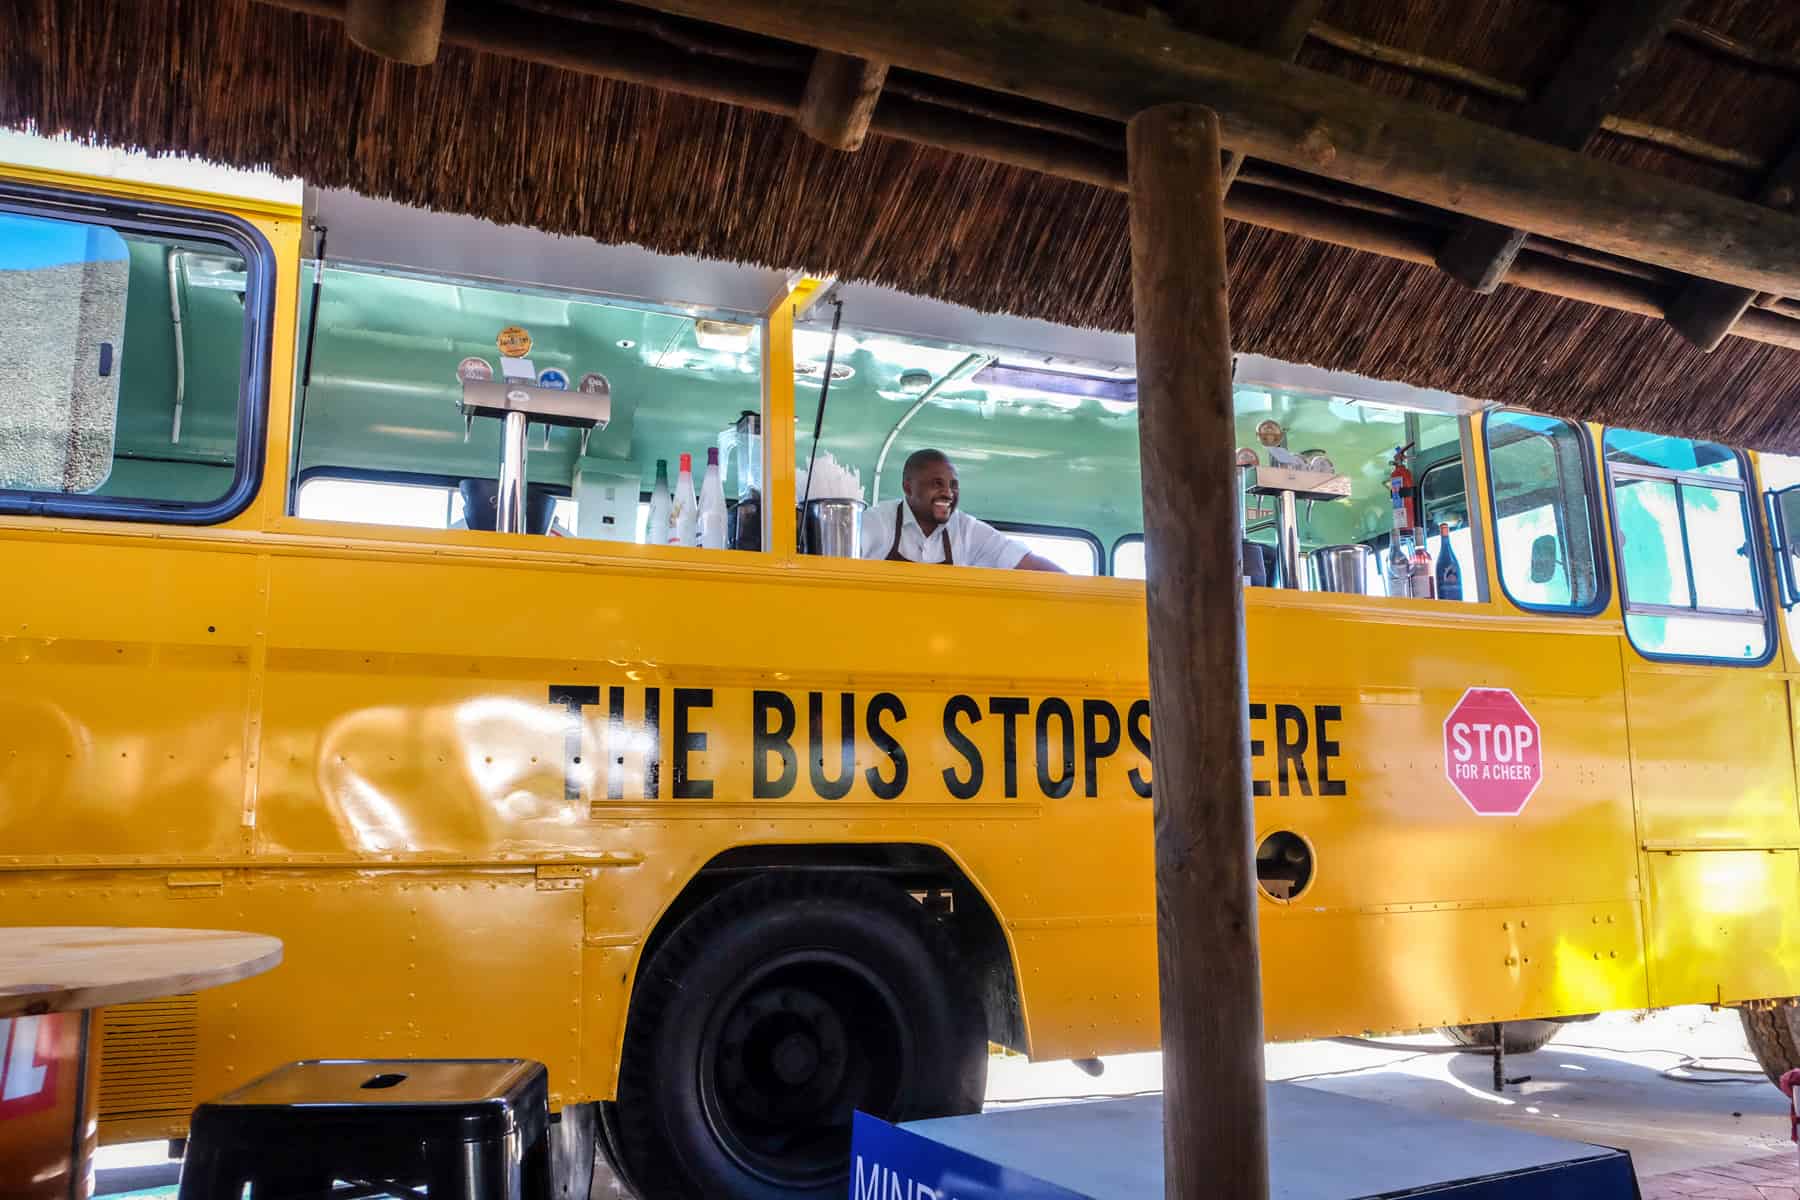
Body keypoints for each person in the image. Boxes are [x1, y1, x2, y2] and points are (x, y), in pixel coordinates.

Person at [861, 449, 1065, 571]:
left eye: (953, 485)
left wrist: (1085, 593)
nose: (948, 493)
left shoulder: (966, 530)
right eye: (937, 484)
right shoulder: (879, 522)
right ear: (908, 487)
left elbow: (1024, 562)